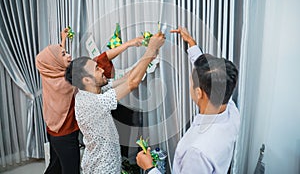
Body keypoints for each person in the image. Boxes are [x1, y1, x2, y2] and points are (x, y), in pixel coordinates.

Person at [36, 27, 143, 174]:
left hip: (53, 129)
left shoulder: (49, 73)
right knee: (69, 169)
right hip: (65, 133)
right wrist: (129, 45)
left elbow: (59, 59)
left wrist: (63, 40)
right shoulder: (67, 82)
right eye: (64, 54)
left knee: (55, 166)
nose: (68, 55)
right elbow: (100, 61)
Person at [136, 27, 240, 174]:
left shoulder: (196, 152)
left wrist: (149, 168)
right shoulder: (231, 111)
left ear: (199, 93)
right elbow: (214, 77)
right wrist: (192, 45)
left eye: (191, 82)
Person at [64, 32, 165, 174]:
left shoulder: (93, 89)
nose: (102, 69)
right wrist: (150, 49)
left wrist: (151, 54)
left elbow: (127, 78)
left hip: (101, 161)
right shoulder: (91, 102)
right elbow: (132, 83)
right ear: (86, 80)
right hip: (103, 168)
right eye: (96, 69)